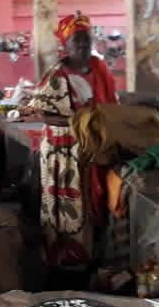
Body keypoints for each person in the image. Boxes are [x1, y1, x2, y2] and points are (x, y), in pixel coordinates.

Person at [27, 13, 119, 267]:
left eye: (86, 40)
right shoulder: (58, 73)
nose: (82, 46)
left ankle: (87, 256)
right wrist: (78, 122)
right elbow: (44, 113)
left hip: (90, 146)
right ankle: (61, 260)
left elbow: (110, 105)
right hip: (61, 151)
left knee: (89, 201)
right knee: (64, 203)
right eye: (77, 41)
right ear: (65, 44)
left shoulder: (99, 69)